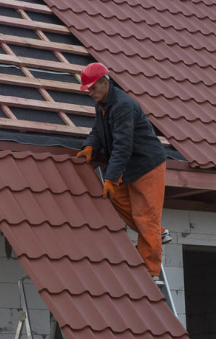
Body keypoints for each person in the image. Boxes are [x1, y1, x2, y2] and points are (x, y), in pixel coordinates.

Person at [75, 62, 170, 282]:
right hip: (128, 167)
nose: (89, 92)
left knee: (146, 219)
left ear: (103, 82)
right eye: (87, 88)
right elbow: (99, 131)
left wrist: (110, 177)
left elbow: (123, 145)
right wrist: (90, 146)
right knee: (118, 199)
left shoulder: (123, 105)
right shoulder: (103, 104)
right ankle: (159, 234)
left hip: (147, 165)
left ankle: (150, 272)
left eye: (92, 87)